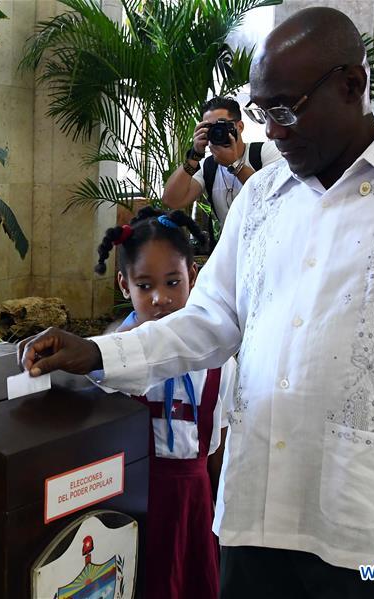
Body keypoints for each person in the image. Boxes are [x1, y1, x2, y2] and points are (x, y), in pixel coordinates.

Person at [18, 7, 374, 599]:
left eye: (285, 109)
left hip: (371, 531)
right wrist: (101, 352)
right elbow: (211, 320)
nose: (272, 132)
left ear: (350, 85)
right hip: (256, 514)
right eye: (262, 113)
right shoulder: (262, 196)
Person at [94, 207, 230, 599]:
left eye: (173, 282)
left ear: (194, 276)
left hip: (193, 510)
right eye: (145, 285)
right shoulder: (108, 361)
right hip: (132, 510)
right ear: (124, 285)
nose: (160, 299)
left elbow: (217, 447)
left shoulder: (220, 362)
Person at [162, 96, 281, 251]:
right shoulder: (208, 166)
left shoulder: (266, 151)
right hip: (232, 253)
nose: (217, 131)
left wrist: (235, 164)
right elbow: (172, 200)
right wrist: (194, 155)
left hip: (271, 247)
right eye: (209, 127)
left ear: (240, 126)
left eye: (222, 125)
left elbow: (272, 194)